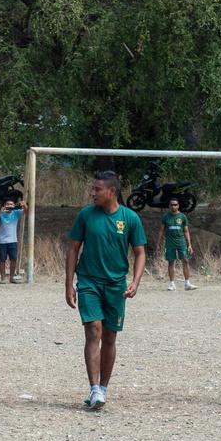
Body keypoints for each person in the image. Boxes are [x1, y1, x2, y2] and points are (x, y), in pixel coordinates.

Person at [65, 170, 146, 409]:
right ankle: (93, 389)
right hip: (89, 281)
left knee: (110, 336)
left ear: (112, 191)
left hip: (116, 285)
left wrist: (136, 281)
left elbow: (140, 253)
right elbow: (73, 249)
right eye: (92, 188)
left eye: (97, 189)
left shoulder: (130, 218)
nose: (92, 193)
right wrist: (69, 284)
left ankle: (103, 388)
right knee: (93, 330)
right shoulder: (86, 215)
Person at [156, 199, 198, 291]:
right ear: (169, 206)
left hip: (181, 243)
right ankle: (172, 284)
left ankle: (187, 284)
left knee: (185, 261)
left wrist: (189, 244)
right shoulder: (166, 217)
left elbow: (186, 231)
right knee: (171, 262)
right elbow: (161, 230)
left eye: (175, 205)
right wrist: (158, 244)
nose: (173, 207)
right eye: (171, 205)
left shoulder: (182, 217)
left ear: (178, 206)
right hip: (170, 243)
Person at [0, 197, 26, 283]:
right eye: (7, 204)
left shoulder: (16, 213)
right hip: (2, 241)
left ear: (14, 205)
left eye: (11, 204)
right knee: (2, 259)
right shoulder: (1, 214)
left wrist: (25, 205)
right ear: (4, 205)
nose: (9, 206)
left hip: (13, 240)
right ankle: (2, 278)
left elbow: (26, 211)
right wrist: (0, 211)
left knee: (14, 258)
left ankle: (11, 277)